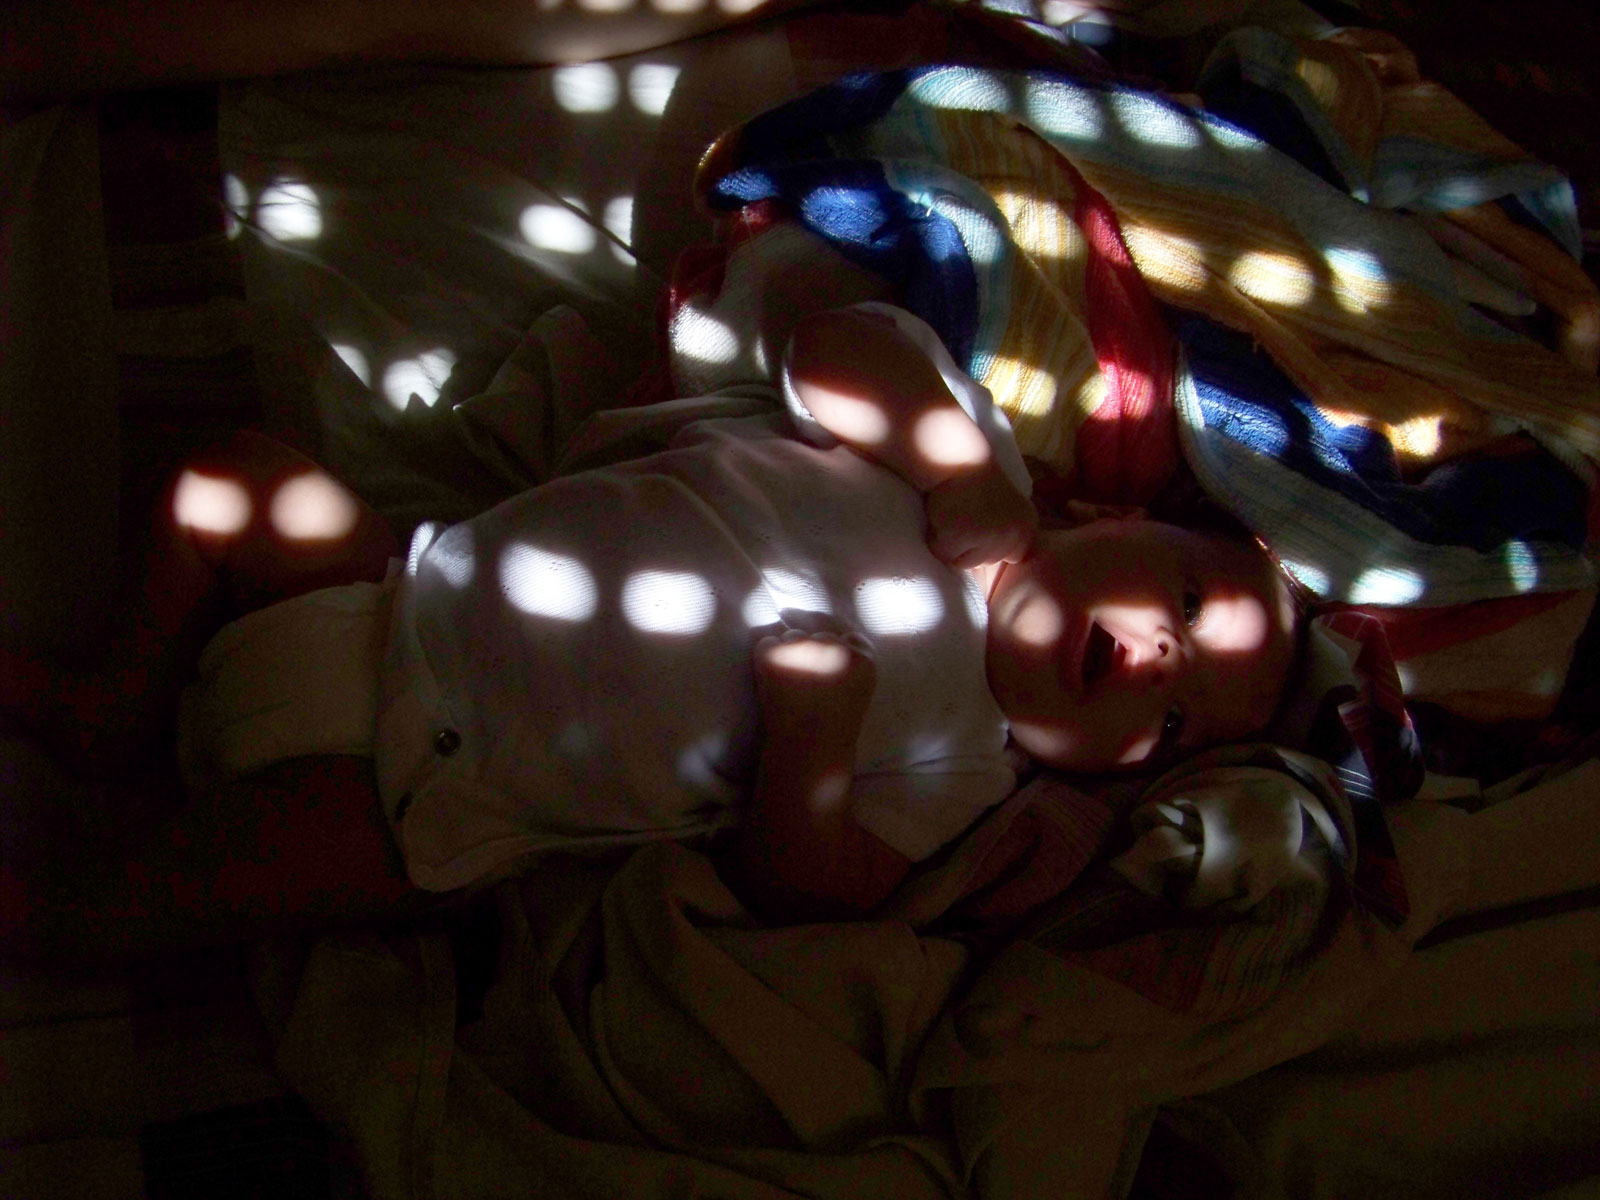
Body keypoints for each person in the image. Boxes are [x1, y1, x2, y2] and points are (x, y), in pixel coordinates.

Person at [0, 302, 1298, 958]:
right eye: (1192, 602)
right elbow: (830, 348)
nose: (1166, 661)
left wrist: (813, 742)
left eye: (1177, 722)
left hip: (420, 790)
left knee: (176, 888)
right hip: (384, 591)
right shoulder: (964, 459)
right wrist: (955, 461)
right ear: (1102, 513)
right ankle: (115, 697)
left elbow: (810, 881)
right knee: (230, 479)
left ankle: (46, 903)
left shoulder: (968, 765)